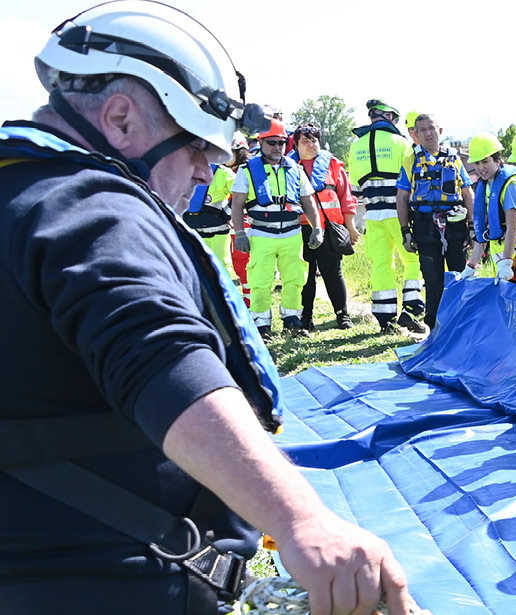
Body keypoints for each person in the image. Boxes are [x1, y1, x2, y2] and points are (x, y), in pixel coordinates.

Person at [0, 2, 413, 613]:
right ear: (119, 117)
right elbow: (161, 360)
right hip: (105, 580)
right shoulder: (94, 210)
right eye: (196, 148)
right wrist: (302, 521)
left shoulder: (21, 193)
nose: (204, 173)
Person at [230, 119, 324, 338]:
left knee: (295, 279)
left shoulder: (296, 169)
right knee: (260, 282)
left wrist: (317, 228)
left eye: (281, 143)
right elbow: (237, 203)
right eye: (271, 142)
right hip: (261, 234)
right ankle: (262, 326)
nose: (276, 147)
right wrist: (240, 233)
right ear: (261, 143)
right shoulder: (247, 170)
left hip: (291, 233)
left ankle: (292, 321)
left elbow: (308, 202)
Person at [348, 99, 426, 334]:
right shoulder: (400, 142)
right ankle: (411, 310)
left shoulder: (355, 146)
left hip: (372, 215)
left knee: (382, 264)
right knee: (413, 260)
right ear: (390, 117)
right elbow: (412, 180)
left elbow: (355, 187)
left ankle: (385, 320)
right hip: (399, 213)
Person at [395, 111, 475, 330]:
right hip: (424, 226)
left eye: (432, 128)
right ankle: (433, 325)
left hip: (455, 226)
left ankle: (462, 324)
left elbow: (468, 193)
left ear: (439, 131)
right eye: (423, 130)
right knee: (432, 279)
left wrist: (472, 226)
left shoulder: (454, 158)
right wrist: (405, 232)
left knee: (459, 275)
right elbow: (402, 197)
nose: (428, 133)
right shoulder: (410, 160)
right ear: (416, 135)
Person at [291, 123, 358, 330]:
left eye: (314, 140)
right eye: (305, 141)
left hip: (330, 228)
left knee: (333, 272)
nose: (311, 145)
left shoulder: (333, 164)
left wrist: (351, 227)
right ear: (296, 145)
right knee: (304, 275)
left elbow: (346, 197)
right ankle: (305, 317)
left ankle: (342, 315)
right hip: (299, 229)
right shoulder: (288, 167)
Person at [462, 132, 516, 287]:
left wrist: (507, 262)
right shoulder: (486, 186)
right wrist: (472, 265)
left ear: (497, 160)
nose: (481, 168)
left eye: (485, 162)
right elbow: (483, 231)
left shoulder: (511, 186)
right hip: (505, 258)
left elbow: (512, 227)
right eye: (477, 164)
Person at [184, 131, 248, 280]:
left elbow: (244, 192)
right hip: (192, 230)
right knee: (194, 270)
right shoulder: (187, 169)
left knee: (220, 271)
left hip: (217, 232)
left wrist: (227, 212)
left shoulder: (224, 173)